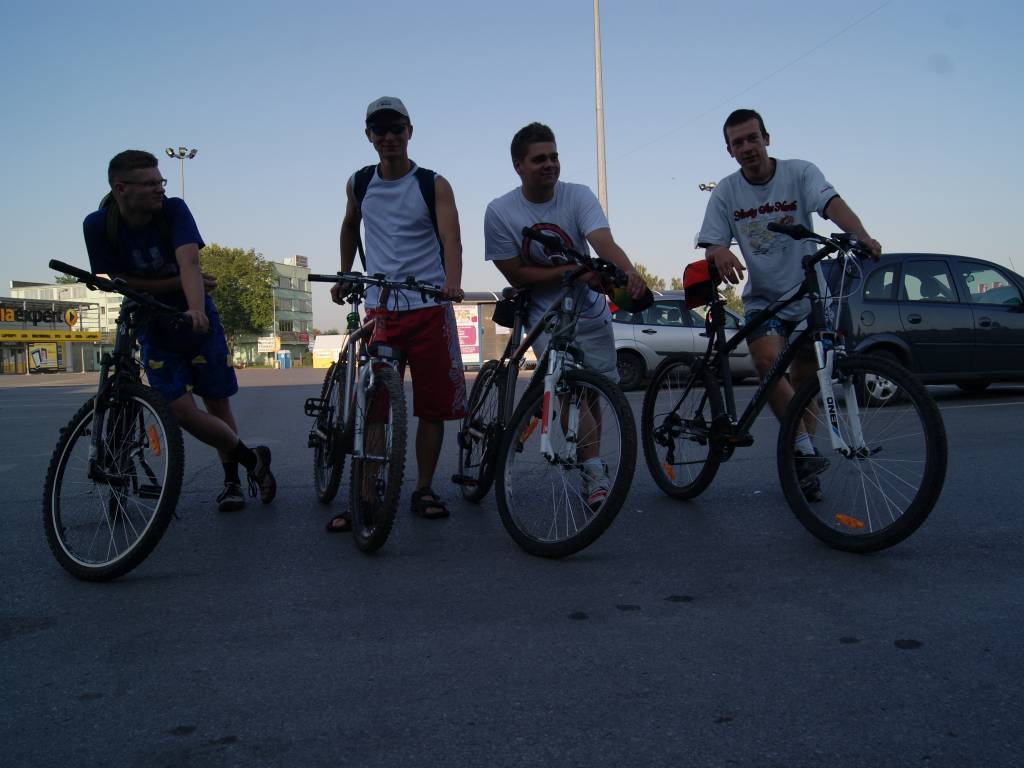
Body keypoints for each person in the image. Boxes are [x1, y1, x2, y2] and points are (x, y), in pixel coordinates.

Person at [697, 108, 882, 499]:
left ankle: (803, 463)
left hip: (808, 294)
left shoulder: (799, 172)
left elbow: (831, 204)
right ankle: (804, 450)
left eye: (753, 138)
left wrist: (861, 235)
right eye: (738, 143)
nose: (747, 147)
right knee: (767, 363)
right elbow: (712, 241)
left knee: (805, 383)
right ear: (730, 151)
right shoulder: (726, 191)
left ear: (767, 138)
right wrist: (720, 251)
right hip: (764, 299)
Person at [83, 149, 276, 512]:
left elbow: (190, 263)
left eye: (161, 181)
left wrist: (196, 308)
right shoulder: (98, 225)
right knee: (180, 411)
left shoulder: (173, 210)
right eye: (150, 183)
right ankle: (253, 460)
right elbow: (120, 281)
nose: (160, 189)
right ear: (121, 189)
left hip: (193, 316)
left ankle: (232, 482)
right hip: (150, 321)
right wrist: (172, 285)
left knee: (216, 401)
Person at [483, 121, 647, 507]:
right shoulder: (500, 211)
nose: (550, 164)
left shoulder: (578, 196)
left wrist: (627, 273)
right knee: (570, 389)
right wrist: (570, 271)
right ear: (518, 166)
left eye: (554, 156)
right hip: (544, 311)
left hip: (588, 308)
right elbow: (516, 273)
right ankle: (593, 471)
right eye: (539, 159)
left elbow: (602, 241)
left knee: (592, 392)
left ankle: (588, 461)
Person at [326, 96, 467, 532]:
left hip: (429, 307)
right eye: (380, 130)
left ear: (410, 132)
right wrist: (346, 272)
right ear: (369, 136)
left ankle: (423, 488)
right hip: (381, 309)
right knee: (375, 406)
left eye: (396, 128)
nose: (389, 137)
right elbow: (350, 224)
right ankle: (366, 493)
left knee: (432, 407)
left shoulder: (432, 184)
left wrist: (452, 282)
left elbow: (451, 237)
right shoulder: (359, 183)